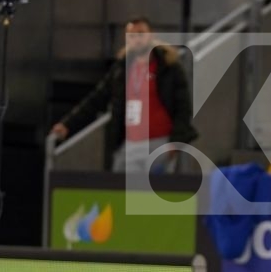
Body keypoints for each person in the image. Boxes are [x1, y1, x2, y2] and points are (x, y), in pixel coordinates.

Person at [50, 17, 198, 173]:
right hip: (130, 144)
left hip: (160, 142)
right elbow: (96, 99)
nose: (137, 39)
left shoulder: (169, 66)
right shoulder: (121, 69)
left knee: (152, 194)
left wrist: (175, 143)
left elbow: (184, 107)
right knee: (121, 190)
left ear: (151, 35)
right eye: (132, 35)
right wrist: (68, 124)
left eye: (141, 33)